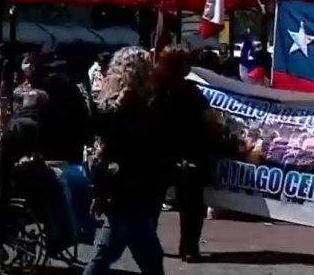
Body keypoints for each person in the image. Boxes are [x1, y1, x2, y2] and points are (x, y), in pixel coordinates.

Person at [83, 47, 165, 275]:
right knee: (148, 257)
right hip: (128, 187)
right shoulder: (128, 103)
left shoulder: (125, 100)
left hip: (124, 187)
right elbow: (113, 144)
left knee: (112, 253)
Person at [150, 45, 222, 263]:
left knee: (160, 202)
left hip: (169, 153)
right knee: (187, 205)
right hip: (177, 153)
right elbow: (209, 120)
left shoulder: (158, 89)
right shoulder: (182, 91)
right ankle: (185, 248)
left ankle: (153, 244)